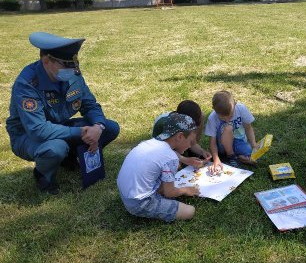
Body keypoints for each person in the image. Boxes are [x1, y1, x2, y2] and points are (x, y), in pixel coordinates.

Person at [6, 32, 120, 194]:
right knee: (55, 148)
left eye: (73, 64)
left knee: (110, 128)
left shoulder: (72, 74)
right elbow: (38, 130)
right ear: (46, 61)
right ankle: (43, 175)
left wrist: (97, 126)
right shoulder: (27, 83)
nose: (72, 69)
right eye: (66, 65)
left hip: (59, 127)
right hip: (28, 135)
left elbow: (90, 105)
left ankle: (69, 157)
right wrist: (81, 132)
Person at [117, 112, 200, 222]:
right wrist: (186, 190)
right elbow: (169, 193)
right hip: (139, 203)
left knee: (165, 184)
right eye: (190, 142)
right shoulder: (170, 158)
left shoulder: (150, 143)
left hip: (124, 195)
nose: (190, 146)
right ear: (180, 136)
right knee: (189, 211)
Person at [205, 90, 257, 172]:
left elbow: (248, 128)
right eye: (222, 118)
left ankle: (240, 157)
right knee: (228, 127)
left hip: (240, 141)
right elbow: (212, 142)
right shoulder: (212, 118)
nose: (227, 119)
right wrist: (216, 159)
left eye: (231, 115)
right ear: (214, 110)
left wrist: (254, 145)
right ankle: (231, 156)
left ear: (235, 104)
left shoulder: (241, 109)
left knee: (251, 158)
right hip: (222, 145)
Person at [175, 100, 212, 168]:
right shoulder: (167, 126)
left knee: (202, 115)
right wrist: (184, 160)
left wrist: (202, 151)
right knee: (175, 165)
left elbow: (193, 144)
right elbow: (165, 151)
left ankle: (189, 151)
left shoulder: (188, 124)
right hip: (166, 150)